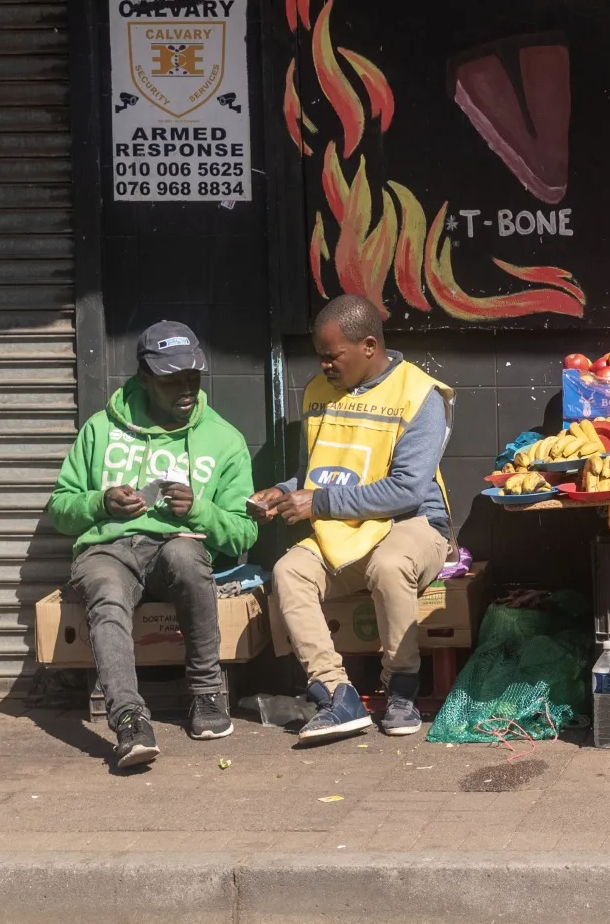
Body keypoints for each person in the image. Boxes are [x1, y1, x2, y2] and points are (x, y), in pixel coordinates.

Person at [47, 322, 256, 769]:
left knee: (184, 555)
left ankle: (207, 694)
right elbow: (60, 509)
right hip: (110, 550)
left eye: (193, 377)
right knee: (104, 588)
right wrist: (100, 502)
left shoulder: (224, 440)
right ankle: (128, 718)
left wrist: (197, 510)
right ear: (144, 377)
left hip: (177, 550)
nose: (186, 389)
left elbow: (244, 533)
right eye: (171, 379)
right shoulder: (100, 430)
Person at [249, 294, 454, 742]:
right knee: (289, 571)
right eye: (319, 357)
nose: (324, 366)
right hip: (345, 531)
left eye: (331, 356)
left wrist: (316, 503)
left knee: (390, 564)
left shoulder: (420, 395)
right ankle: (334, 694)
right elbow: (316, 472)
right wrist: (283, 492)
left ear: (367, 346)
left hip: (412, 525)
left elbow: (406, 490)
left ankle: (401, 686)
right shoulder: (318, 392)